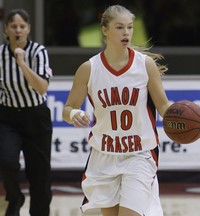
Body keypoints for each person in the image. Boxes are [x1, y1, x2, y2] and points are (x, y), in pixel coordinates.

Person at [62, 4, 171, 216]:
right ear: (105, 30)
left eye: (129, 27)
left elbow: (163, 105)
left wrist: (179, 116)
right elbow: (67, 109)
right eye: (120, 27)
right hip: (104, 155)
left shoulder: (145, 65)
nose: (126, 33)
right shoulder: (89, 69)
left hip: (139, 153)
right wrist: (75, 114)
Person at [0, 9, 53, 216]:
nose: (18, 30)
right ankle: (15, 198)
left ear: (28, 29)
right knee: (7, 162)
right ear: (6, 30)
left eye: (22, 26)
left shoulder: (38, 52)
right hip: (8, 118)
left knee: (39, 175)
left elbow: (42, 87)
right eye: (13, 26)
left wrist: (22, 63)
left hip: (36, 117)